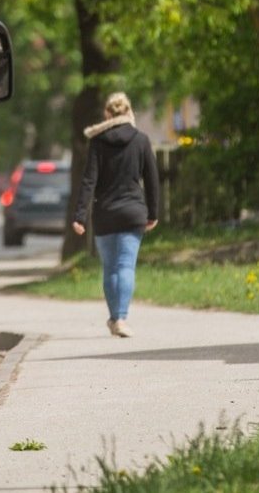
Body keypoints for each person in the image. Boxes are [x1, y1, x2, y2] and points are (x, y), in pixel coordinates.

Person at [72, 91, 160, 338]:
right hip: (133, 213)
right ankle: (121, 318)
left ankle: (115, 318)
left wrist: (79, 215)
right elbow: (152, 180)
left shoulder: (98, 142)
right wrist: (153, 213)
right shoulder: (141, 140)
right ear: (129, 111)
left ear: (107, 114)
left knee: (110, 268)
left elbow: (89, 180)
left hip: (105, 214)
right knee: (126, 267)